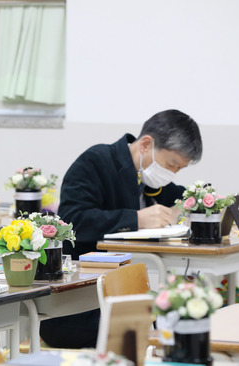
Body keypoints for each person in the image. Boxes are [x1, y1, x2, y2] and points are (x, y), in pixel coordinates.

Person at [40, 109, 203, 348]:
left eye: (179, 169)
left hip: (123, 293)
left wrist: (207, 205)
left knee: (182, 317)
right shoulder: (96, 161)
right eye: (171, 165)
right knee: (163, 323)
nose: (172, 174)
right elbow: (73, 220)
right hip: (77, 305)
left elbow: (183, 197)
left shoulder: (148, 178)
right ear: (146, 144)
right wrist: (136, 218)